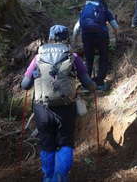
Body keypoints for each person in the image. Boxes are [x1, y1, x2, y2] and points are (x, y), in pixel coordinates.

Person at [21, 25, 96, 182]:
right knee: (65, 142)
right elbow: (88, 83)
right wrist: (94, 87)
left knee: (47, 143)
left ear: (50, 38)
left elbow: (25, 84)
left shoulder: (38, 57)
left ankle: (48, 177)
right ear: (66, 38)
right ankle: (60, 177)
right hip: (66, 107)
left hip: (42, 109)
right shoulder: (72, 57)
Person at [72, 0, 119, 90]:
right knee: (103, 57)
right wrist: (116, 38)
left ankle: (86, 85)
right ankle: (100, 83)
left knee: (89, 59)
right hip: (101, 35)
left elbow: (77, 28)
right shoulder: (105, 10)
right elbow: (115, 26)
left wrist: (74, 41)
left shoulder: (85, 9)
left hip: (86, 35)